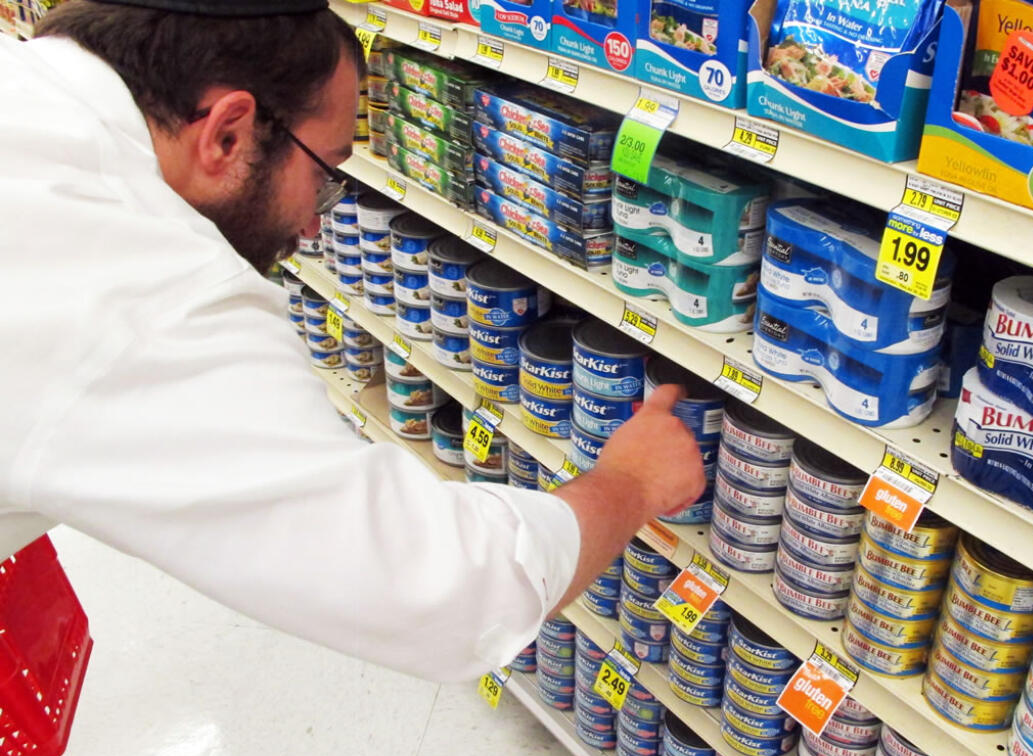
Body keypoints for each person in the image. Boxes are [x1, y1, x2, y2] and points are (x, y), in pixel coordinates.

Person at [0, 0, 706, 682]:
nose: (314, 224)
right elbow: (444, 588)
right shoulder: (145, 287)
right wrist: (631, 482)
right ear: (226, 133)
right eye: (325, 171)